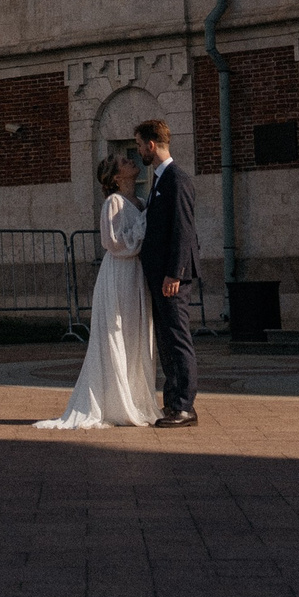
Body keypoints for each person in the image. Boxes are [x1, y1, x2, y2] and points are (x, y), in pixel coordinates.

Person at [33, 151, 158, 429]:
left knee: (136, 336)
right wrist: (143, 224)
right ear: (116, 177)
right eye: (124, 162)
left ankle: (137, 398)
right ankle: (116, 402)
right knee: (119, 333)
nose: (131, 162)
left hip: (137, 274)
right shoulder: (114, 202)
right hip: (120, 274)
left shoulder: (139, 201)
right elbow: (114, 243)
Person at [135, 118, 200, 427]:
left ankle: (184, 406)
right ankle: (173, 403)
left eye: (138, 146)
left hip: (171, 277)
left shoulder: (176, 178)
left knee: (176, 338)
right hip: (161, 275)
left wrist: (175, 273)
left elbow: (183, 229)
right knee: (166, 339)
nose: (138, 153)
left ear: (151, 144)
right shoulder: (160, 179)